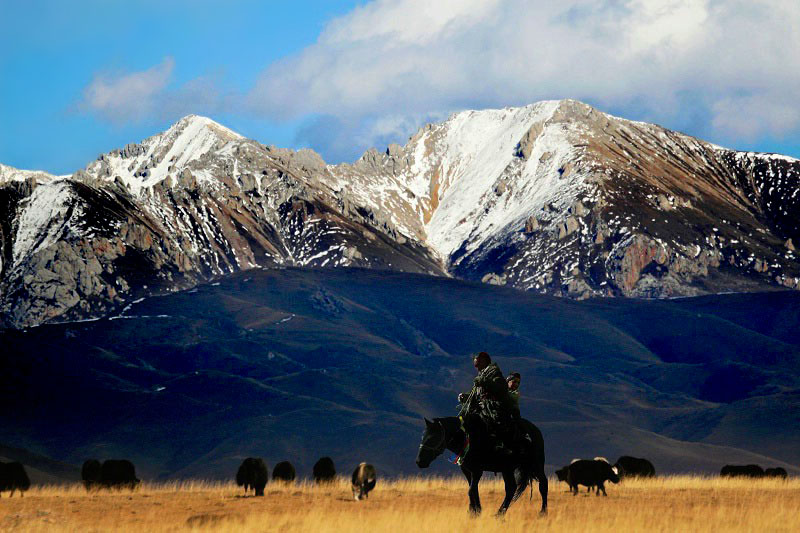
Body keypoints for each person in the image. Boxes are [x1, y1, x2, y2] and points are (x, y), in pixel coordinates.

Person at [457, 352, 517, 454]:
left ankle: (502, 445)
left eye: (478, 365)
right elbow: (475, 395)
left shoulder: (495, 373)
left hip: (493, 406)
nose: (477, 368)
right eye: (475, 366)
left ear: (484, 361)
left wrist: (484, 381)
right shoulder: (481, 376)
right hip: (480, 407)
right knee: (464, 419)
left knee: (495, 422)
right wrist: (465, 397)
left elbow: (500, 387)